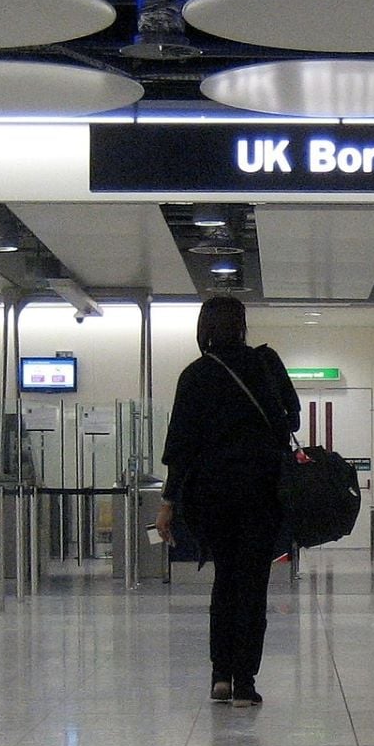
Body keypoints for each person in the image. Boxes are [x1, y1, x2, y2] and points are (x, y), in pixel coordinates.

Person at [155, 296, 300, 708]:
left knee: (224, 582)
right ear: (243, 325)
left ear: (203, 329)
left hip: (212, 496)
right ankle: (245, 682)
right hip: (262, 492)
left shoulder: (195, 375)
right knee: (253, 585)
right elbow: (292, 419)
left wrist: (168, 503)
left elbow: (180, 447)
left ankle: (220, 676)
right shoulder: (265, 365)